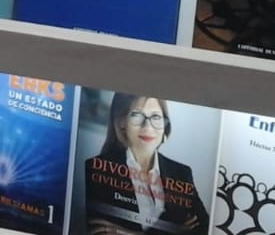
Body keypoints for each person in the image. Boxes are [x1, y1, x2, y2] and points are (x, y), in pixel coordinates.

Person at [83, 93, 210, 234]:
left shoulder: (182, 173)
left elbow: (204, 229)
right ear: (121, 122)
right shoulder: (95, 168)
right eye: (137, 115)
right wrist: (173, 230)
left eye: (156, 117)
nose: (148, 126)